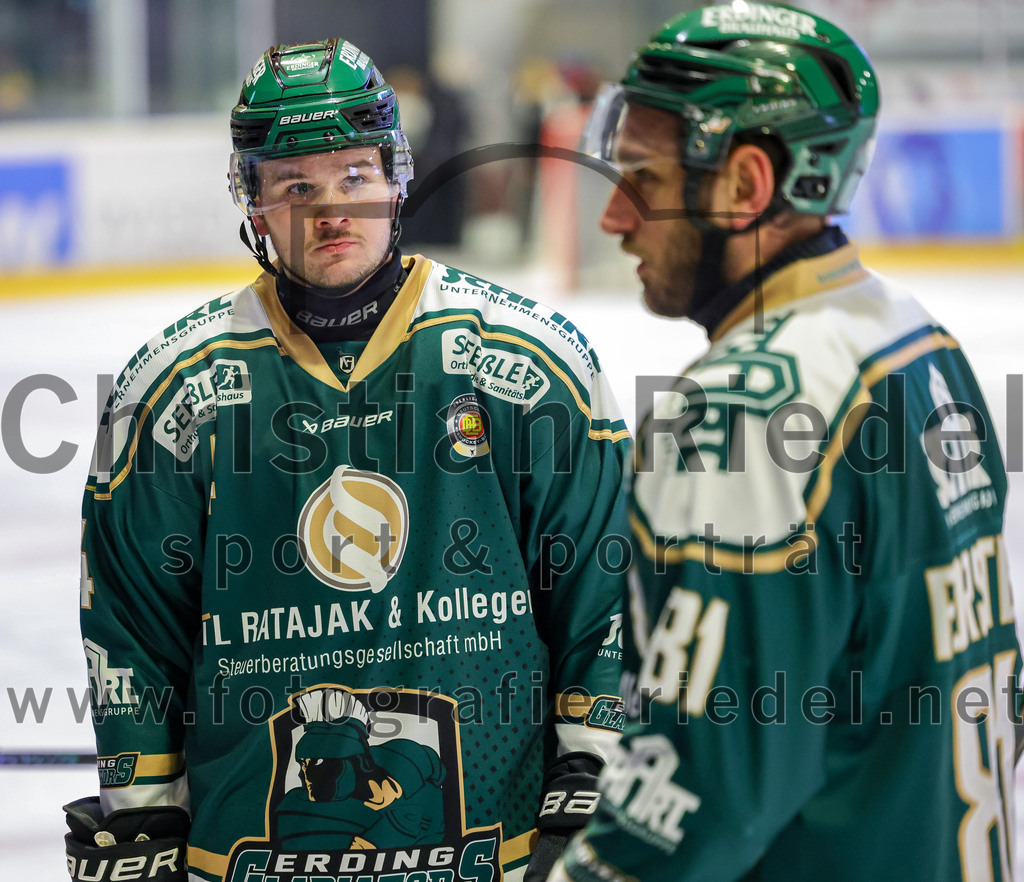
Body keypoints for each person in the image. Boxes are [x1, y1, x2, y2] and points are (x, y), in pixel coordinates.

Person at [64, 38, 630, 882]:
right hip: (254, 855)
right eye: (296, 187)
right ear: (252, 204)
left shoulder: (527, 361)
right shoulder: (172, 388)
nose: (332, 210)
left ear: (398, 178)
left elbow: (603, 585)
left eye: (355, 177)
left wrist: (591, 772)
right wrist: (146, 812)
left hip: (496, 851)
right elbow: (133, 632)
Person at [555, 4, 1022, 881]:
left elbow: (695, 805)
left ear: (747, 185)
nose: (615, 217)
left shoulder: (743, 414)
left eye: (644, 180)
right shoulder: (922, 347)